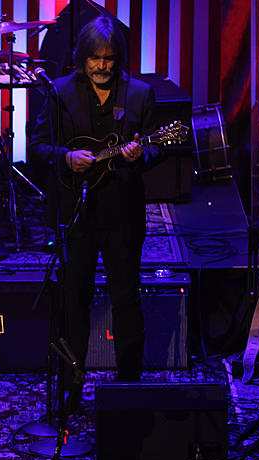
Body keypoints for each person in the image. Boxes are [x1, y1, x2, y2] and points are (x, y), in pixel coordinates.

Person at [29, 15, 157, 397]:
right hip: (76, 213)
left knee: (126, 299)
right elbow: (37, 147)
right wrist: (65, 157)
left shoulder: (139, 94)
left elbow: (156, 149)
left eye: (110, 58)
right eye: (95, 59)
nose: (102, 66)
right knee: (74, 301)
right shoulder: (58, 92)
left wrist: (141, 155)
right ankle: (71, 386)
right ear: (81, 58)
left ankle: (129, 387)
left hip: (123, 213)